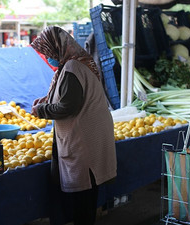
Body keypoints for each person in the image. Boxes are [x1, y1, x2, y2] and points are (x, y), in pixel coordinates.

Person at [31, 26, 117, 225]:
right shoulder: (73, 65)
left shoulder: (72, 68)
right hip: (90, 134)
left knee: (84, 195)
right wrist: (46, 100)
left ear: (56, 48)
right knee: (87, 193)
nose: (47, 57)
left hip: (84, 138)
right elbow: (67, 94)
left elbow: (68, 106)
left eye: (47, 52)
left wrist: (41, 110)